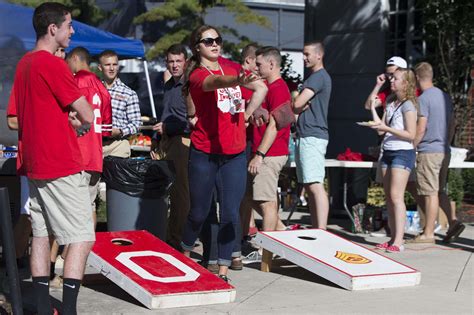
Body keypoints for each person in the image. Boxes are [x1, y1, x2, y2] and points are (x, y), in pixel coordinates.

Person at [9, 3, 95, 314]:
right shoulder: (53, 65)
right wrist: (79, 124)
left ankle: (44, 308)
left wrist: (61, 119)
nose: (72, 31)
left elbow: (15, 119)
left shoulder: (24, 64)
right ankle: (69, 309)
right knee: (83, 237)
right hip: (59, 162)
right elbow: (87, 113)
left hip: (33, 164)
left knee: (42, 234)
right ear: (52, 29)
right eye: (69, 25)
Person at [180, 25, 267, 281]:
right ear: (197, 46)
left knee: (230, 213)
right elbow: (215, 82)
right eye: (208, 41)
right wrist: (237, 81)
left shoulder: (231, 66)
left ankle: (223, 270)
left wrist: (247, 114)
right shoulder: (197, 74)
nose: (215, 44)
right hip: (205, 152)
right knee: (199, 212)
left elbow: (261, 89)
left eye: (218, 40)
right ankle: (183, 256)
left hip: (235, 153)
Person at [409, 62, 464, 243]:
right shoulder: (445, 96)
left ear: (417, 77)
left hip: (428, 151)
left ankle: (429, 233)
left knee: (429, 193)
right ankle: (453, 221)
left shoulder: (423, 99)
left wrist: (412, 146)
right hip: (443, 150)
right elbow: (452, 124)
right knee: (439, 191)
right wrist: (446, 143)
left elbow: (421, 127)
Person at [369, 68, 418, 252]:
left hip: (402, 152)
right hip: (387, 151)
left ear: (405, 83)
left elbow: (411, 134)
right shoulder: (390, 101)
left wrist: (387, 129)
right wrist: (374, 109)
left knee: (397, 196)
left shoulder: (408, 105)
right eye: (392, 78)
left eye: (396, 79)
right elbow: (381, 129)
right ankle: (391, 238)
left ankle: (399, 240)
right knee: (389, 197)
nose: (392, 81)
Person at [151, 44, 191, 250]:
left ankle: (178, 241)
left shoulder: (188, 86)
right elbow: (165, 115)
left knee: (180, 195)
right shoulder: (169, 85)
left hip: (182, 141)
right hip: (166, 141)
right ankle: (171, 236)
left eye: (178, 61)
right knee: (167, 193)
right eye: (171, 61)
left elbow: (191, 121)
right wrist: (157, 138)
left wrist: (167, 126)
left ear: (186, 62)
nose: (175, 65)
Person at [292, 41, 331, 229]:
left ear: (319, 55)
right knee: (309, 184)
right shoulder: (315, 78)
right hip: (306, 135)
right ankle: (317, 228)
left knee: (315, 184)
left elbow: (297, 104)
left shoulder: (317, 77)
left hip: (312, 136)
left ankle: (321, 229)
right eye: (303, 53)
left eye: (307, 54)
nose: (304, 57)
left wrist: (298, 103)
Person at [98, 49, 141, 157]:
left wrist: (120, 131)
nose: (112, 68)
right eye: (107, 65)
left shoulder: (129, 93)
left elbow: (137, 124)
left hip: (118, 145)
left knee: (117, 174)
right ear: (100, 67)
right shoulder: (94, 90)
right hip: (95, 144)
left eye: (115, 64)